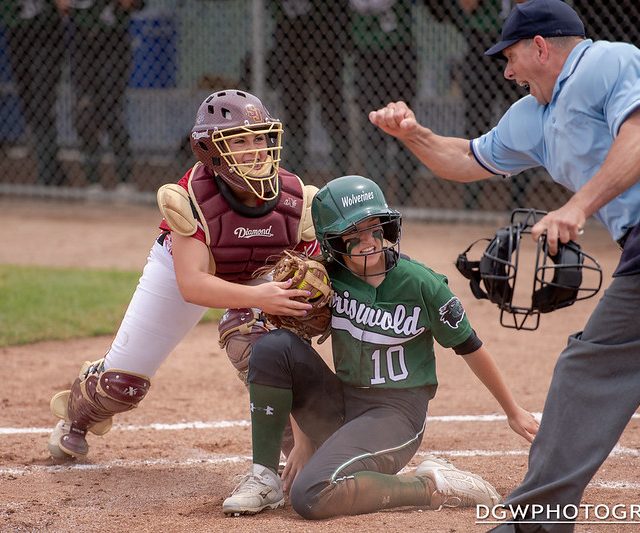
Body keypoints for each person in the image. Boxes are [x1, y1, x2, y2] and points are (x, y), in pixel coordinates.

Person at [369, 0, 640, 530]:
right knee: (594, 363)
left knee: (588, 369)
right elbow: (467, 159)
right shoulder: (536, 115)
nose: (506, 70)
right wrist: (413, 135)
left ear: (541, 46)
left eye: (511, 55)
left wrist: (577, 205)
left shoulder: (607, 62)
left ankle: (535, 519)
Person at [222, 174, 539, 518]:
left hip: (396, 414)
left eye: (375, 229)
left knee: (311, 495)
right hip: (342, 404)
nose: (369, 242)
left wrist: (512, 410)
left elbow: (470, 347)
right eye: (353, 236)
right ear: (330, 242)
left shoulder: (421, 284)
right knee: (273, 345)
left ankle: (431, 485)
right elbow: (295, 346)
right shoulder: (325, 279)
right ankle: (264, 477)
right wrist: (302, 439)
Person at [47, 89, 321, 460]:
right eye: (239, 140)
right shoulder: (188, 196)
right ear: (211, 150)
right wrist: (261, 297)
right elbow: (191, 284)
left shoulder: (297, 198)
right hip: (187, 272)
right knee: (121, 386)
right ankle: (78, 414)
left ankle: (298, 451)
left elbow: (317, 270)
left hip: (258, 273)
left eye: (261, 137)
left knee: (256, 343)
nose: (256, 149)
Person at [65, 0, 143, 193]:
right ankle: (93, 180)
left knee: (113, 115)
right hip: (83, 53)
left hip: (114, 52)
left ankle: (124, 179)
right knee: (85, 116)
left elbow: (138, 4)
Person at [268, 0, 350, 180]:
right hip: (289, 38)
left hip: (326, 35)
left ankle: (342, 177)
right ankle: (294, 179)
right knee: (294, 111)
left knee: (333, 110)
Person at [349, 0, 419, 205]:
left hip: (400, 55)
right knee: (372, 132)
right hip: (366, 56)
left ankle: (405, 200)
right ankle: (376, 200)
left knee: (404, 126)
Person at [0, 0, 67, 185]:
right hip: (18, 31)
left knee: (42, 104)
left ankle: (48, 176)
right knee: (29, 104)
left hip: (46, 33)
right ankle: (53, 173)